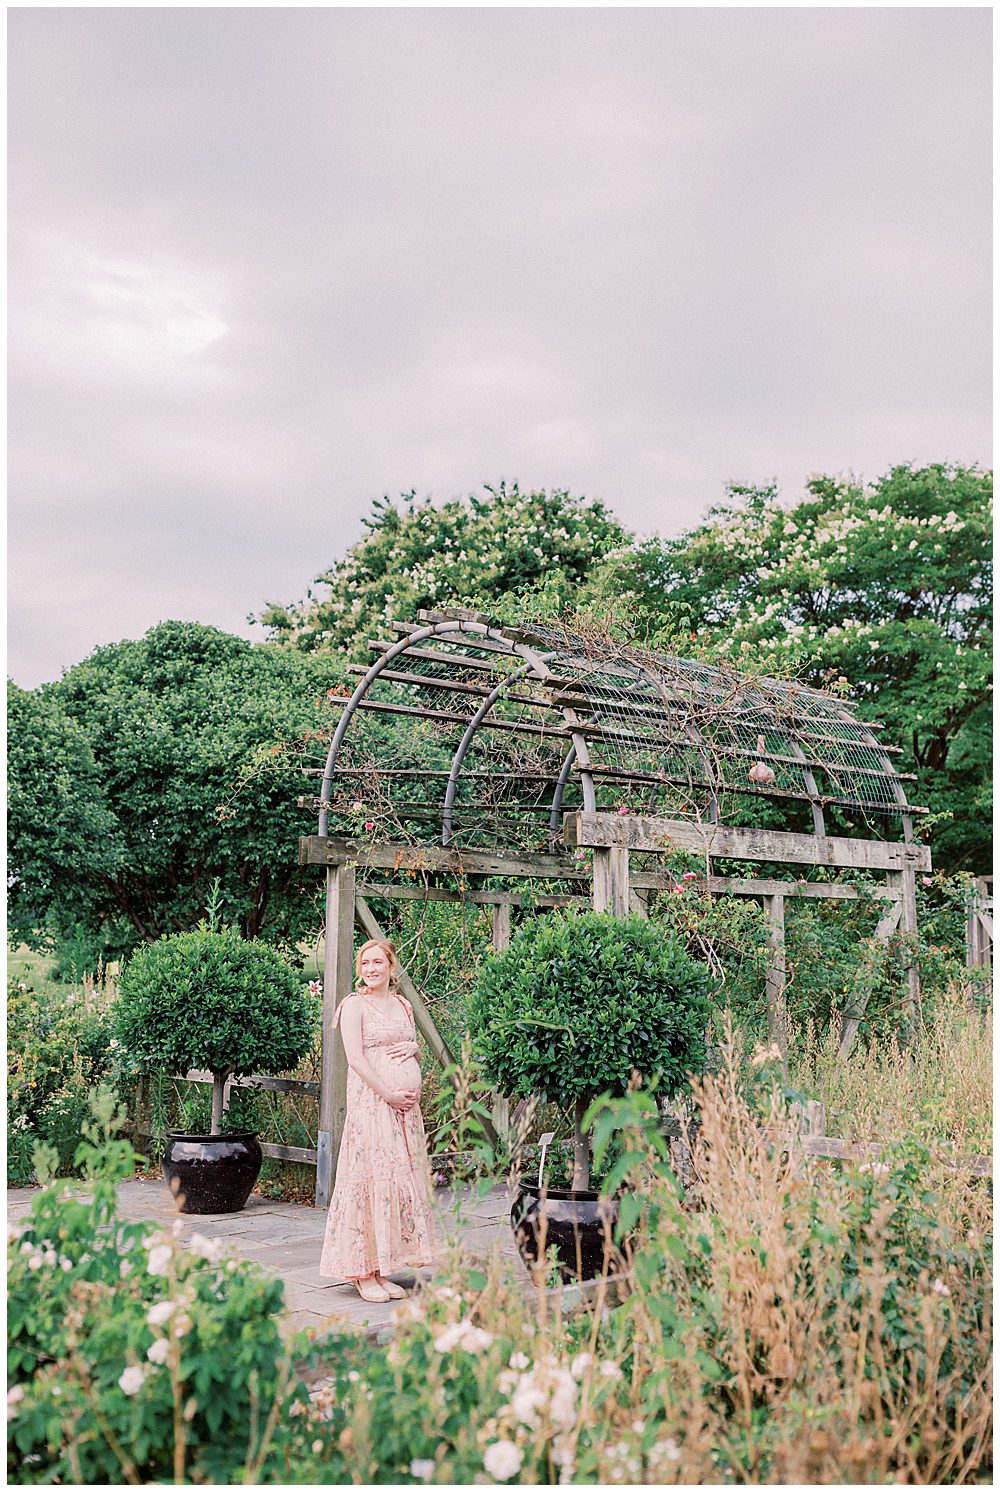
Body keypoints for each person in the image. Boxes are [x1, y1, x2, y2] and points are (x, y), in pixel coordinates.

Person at [319, 938, 435, 1302]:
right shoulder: (355, 1006)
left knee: (394, 1186)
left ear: (391, 966)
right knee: (369, 1180)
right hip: (373, 1105)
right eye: (365, 963)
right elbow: (355, 1058)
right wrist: (387, 1093)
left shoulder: (401, 1004)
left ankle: (382, 1267)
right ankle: (360, 1271)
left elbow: (409, 1041)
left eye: (377, 963)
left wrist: (415, 1049)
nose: (371, 969)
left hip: (405, 1112)